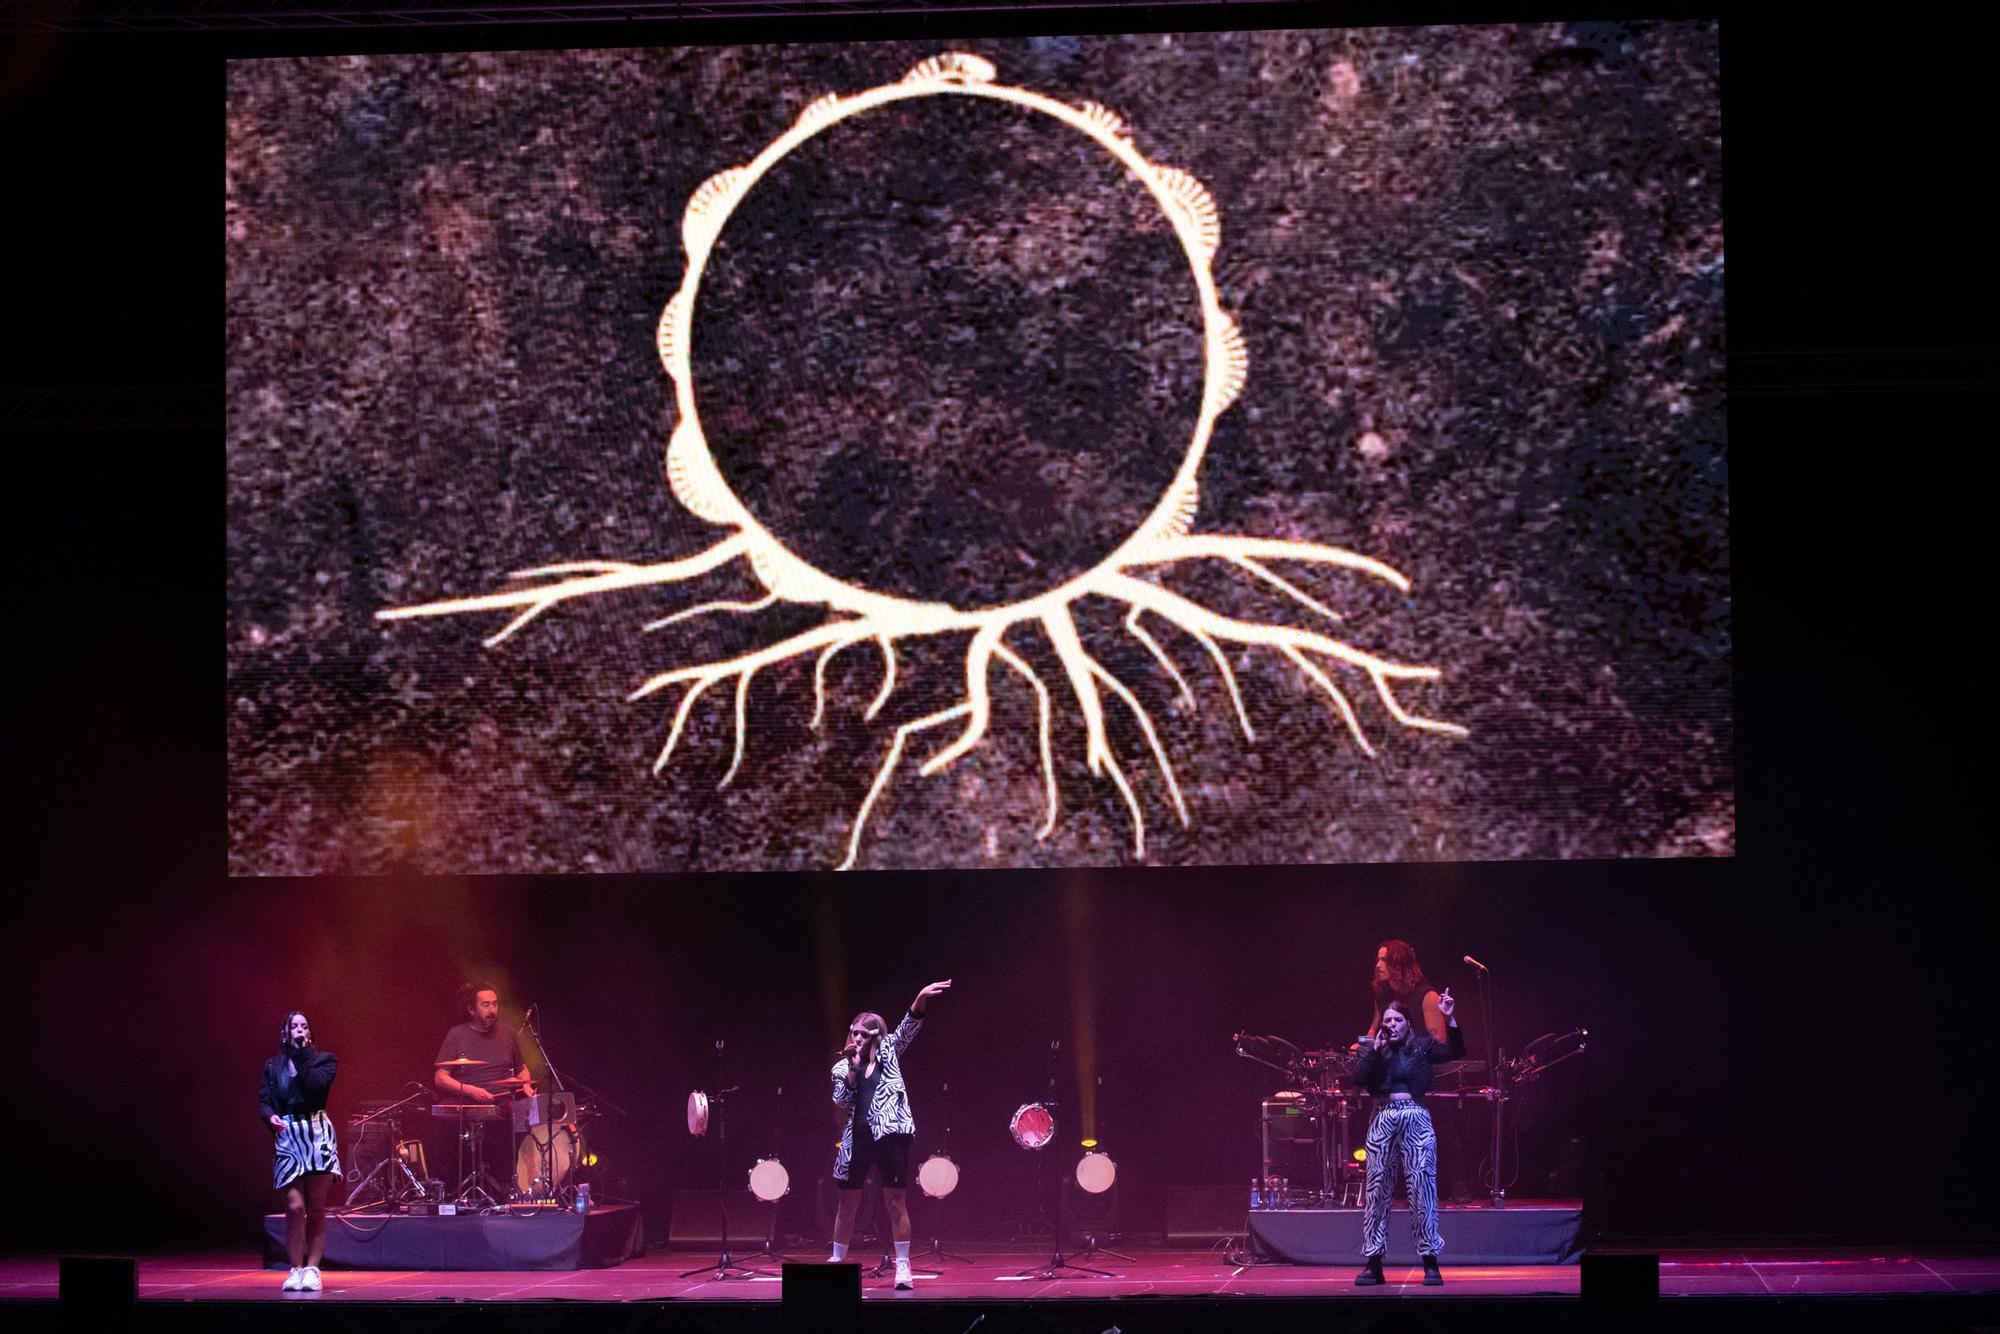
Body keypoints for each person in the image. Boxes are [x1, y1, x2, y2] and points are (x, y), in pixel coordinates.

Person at [828, 979, 952, 1290]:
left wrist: (920, 997)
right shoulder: (842, 1068)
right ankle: (837, 1261)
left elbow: (908, 1027)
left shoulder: (889, 1053)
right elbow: (842, 1101)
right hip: (857, 1139)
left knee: (895, 1201)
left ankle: (903, 1267)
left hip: (891, 1136)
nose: (856, 1037)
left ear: (876, 1035)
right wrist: (853, 1067)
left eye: (862, 1032)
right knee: (847, 1202)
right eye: (853, 1031)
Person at [1353, 991, 1463, 1287]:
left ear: (1407, 1024)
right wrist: (1376, 1050)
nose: (1390, 1023)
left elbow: (1455, 1052)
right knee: (1377, 1190)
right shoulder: (1370, 1048)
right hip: (1382, 1115)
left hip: (1415, 1114)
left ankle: (1430, 1261)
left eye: (1396, 1019)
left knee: (1422, 1186)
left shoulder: (1422, 1046)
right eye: (1386, 1019)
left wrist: (1448, 1016)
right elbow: (1359, 1078)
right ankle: (1373, 1263)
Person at [260, 1010, 339, 1292]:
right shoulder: (273, 1065)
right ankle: (295, 1268)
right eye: (294, 1026)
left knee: (317, 1208)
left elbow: (316, 1089)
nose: (299, 1030)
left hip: (316, 1133)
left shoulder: (324, 1061)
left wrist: (303, 1056)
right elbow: (265, 1101)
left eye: (304, 1026)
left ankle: (313, 1270)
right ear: (285, 1032)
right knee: (295, 1207)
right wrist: (270, 1117)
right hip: (289, 1136)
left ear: (309, 1033)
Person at [433, 983, 534, 1201]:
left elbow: (522, 1069)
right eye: (486, 1005)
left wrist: (523, 1082)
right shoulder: (457, 1034)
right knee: (443, 1126)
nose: (492, 1010)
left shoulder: (507, 1033)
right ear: (471, 1009)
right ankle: (451, 1188)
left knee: (518, 1117)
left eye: (495, 1004)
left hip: (502, 1103)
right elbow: (440, 1077)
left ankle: (507, 1186)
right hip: (470, 1104)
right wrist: (471, 1091)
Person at [1364, 940, 1449, 1043]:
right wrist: (1362, 1044)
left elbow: (1439, 1041)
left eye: (1384, 960)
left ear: (1399, 963)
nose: (1378, 965)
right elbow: (1373, 1030)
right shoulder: (1382, 994)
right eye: (1378, 960)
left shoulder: (1427, 996)